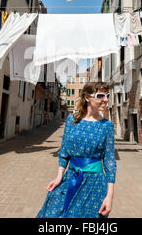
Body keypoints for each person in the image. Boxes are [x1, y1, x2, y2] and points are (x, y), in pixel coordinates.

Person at [36, 81, 117, 218]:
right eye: (101, 96)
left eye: (107, 95)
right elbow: (64, 152)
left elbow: (109, 161)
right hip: (70, 178)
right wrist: (59, 176)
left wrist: (109, 197)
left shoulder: (107, 126)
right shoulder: (71, 120)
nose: (106, 99)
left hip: (95, 185)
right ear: (87, 97)